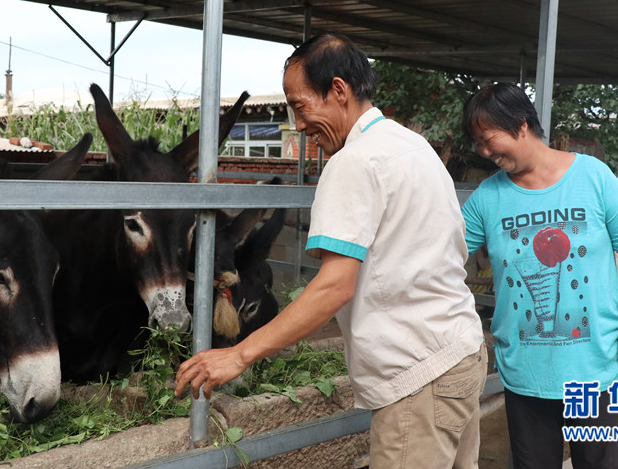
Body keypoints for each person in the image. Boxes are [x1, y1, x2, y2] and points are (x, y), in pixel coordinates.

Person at [175, 33, 487, 469]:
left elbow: (333, 288)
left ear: (338, 90)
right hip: (459, 352)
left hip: (418, 378)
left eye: (300, 106)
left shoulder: (353, 163)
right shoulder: (413, 146)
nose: (298, 124)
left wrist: (239, 354)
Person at [460, 83, 618, 469]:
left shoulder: (593, 177)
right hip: (525, 370)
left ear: (520, 125)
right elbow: (443, 257)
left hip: (595, 369)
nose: (484, 152)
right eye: (477, 144)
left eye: (488, 139)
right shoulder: (487, 197)